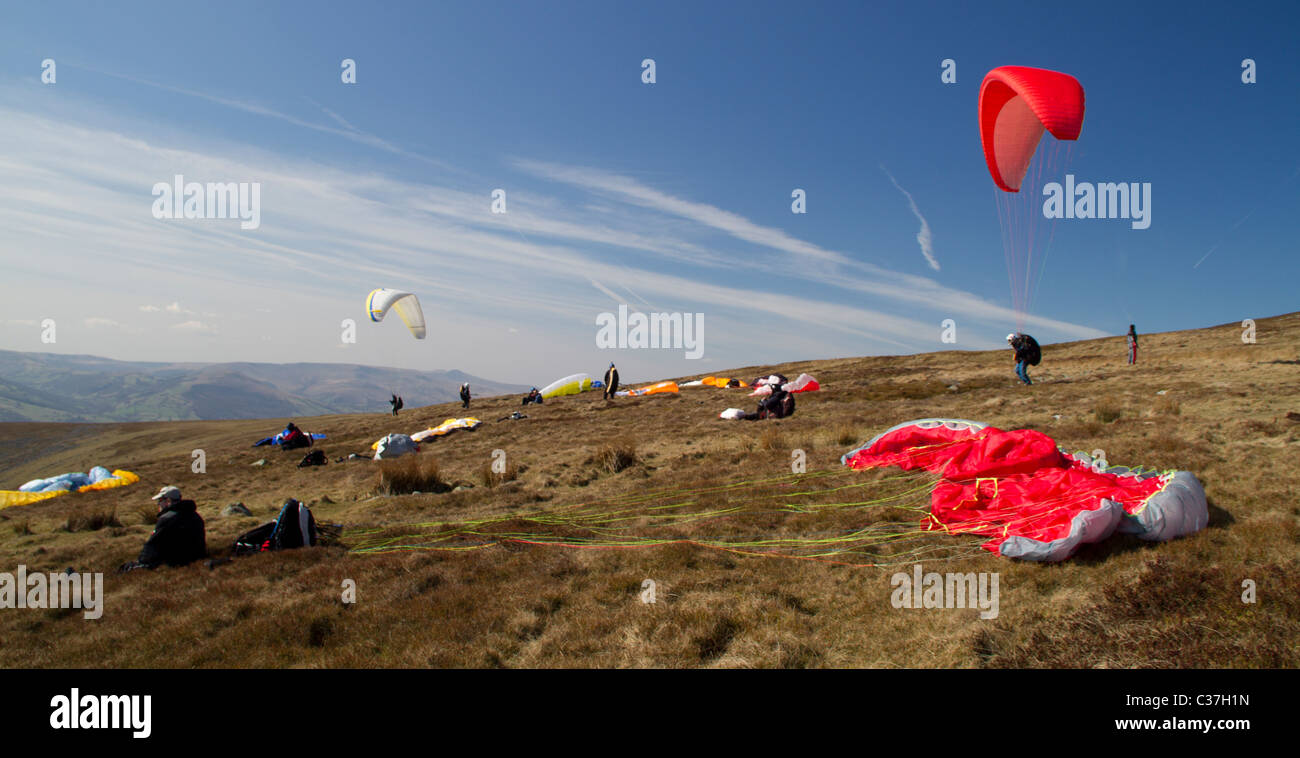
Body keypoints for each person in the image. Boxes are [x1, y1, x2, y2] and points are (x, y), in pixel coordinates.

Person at [118, 486, 207, 572]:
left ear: (168, 501)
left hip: (175, 563)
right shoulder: (196, 516)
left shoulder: (167, 519)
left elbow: (152, 546)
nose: (158, 504)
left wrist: (141, 561)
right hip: (197, 558)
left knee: (125, 568)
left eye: (160, 500)